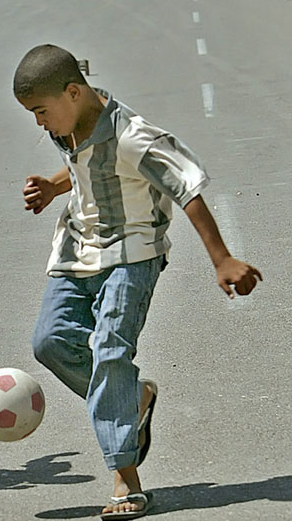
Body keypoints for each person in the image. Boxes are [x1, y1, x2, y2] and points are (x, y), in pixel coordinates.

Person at [13, 44, 262, 520]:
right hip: (76, 252)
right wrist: (52, 185)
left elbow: (185, 189)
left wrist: (222, 257)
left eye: (41, 112)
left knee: (109, 348)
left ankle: (124, 474)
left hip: (133, 254)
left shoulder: (134, 137)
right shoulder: (70, 121)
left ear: (72, 92)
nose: (40, 123)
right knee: (49, 342)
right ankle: (135, 397)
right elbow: (83, 166)